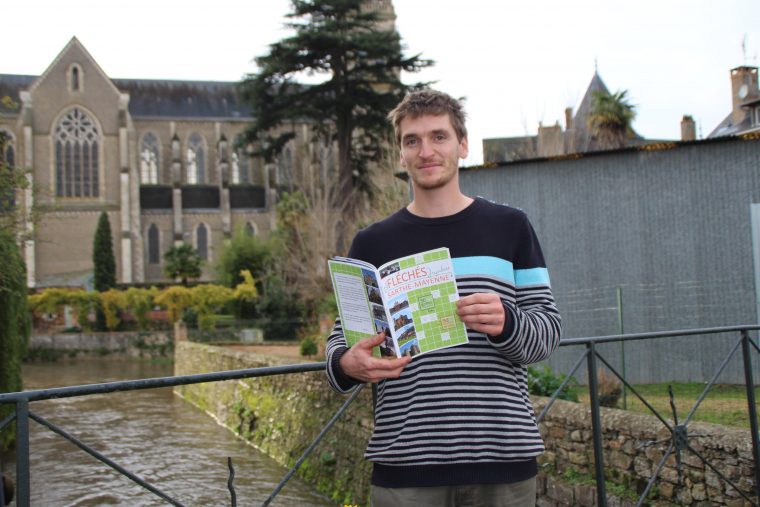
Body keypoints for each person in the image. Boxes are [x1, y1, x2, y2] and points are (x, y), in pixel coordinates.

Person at [325, 89, 562, 507]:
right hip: (405, 468)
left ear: (462, 145)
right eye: (411, 140)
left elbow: (547, 334)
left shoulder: (510, 227)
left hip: (502, 462)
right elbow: (341, 343)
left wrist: (507, 322)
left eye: (439, 136)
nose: (425, 151)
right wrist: (348, 363)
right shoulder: (372, 243)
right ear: (400, 154)